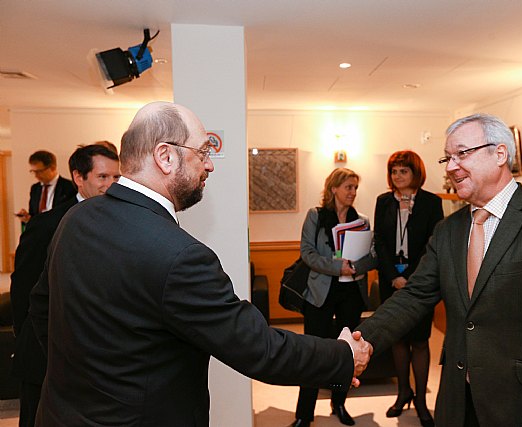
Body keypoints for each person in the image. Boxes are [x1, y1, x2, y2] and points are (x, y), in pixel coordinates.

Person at [29, 102, 372, 427]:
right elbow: (258, 348)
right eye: (204, 152)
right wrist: (342, 356)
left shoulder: (77, 218)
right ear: (165, 156)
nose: (210, 165)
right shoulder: (180, 255)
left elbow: (42, 307)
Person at [358, 113, 522, 427]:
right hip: (459, 403)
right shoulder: (448, 231)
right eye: (448, 157)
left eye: (462, 154)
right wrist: (360, 341)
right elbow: (413, 297)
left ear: (500, 154)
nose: (451, 166)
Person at [10, 144, 120, 427]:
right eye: (103, 177)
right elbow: (24, 288)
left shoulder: (122, 221)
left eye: (116, 178)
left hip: (93, 360)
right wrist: (31, 340)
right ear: (79, 178)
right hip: (44, 355)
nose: (111, 185)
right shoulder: (48, 225)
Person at [291, 167, 377, 427]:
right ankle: (304, 414)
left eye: (355, 188)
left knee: (346, 351)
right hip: (320, 293)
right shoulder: (316, 216)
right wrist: (337, 266)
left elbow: (372, 256)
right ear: (334, 189)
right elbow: (307, 252)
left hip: (352, 291)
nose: (353, 192)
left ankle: (339, 403)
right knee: (313, 352)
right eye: (348, 187)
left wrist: (355, 267)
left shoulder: (361, 220)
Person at [373, 150, 443, 427]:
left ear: (416, 173)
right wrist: (393, 276)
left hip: (421, 282)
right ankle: (403, 392)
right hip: (391, 280)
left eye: (403, 170)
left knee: (419, 340)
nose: (398, 176)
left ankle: (422, 402)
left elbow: (432, 244)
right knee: (397, 339)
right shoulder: (383, 202)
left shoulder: (430, 202)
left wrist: (412, 279)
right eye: (394, 171)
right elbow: (380, 242)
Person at [16, 150, 76, 223]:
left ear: (52, 168)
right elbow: (34, 214)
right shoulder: (35, 188)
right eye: (33, 171)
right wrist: (27, 218)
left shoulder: (70, 187)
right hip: (39, 232)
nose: (36, 176)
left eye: (39, 171)